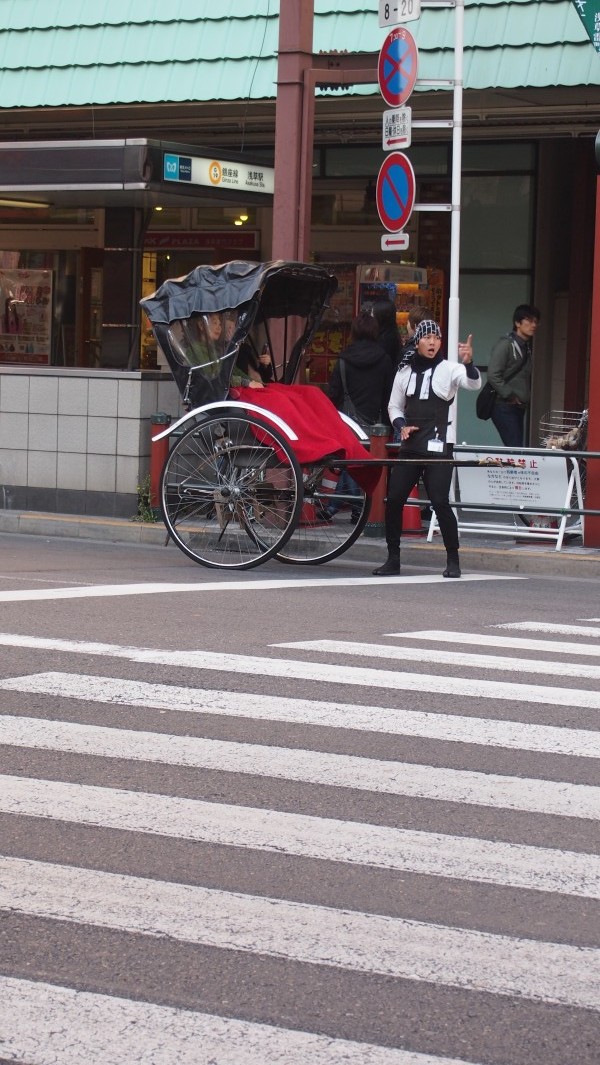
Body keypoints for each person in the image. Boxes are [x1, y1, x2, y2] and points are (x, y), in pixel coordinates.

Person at [372, 319, 481, 579]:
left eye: (437, 338)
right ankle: (393, 558)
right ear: (417, 341)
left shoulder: (450, 369)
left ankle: (453, 560)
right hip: (410, 445)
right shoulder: (404, 371)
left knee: (440, 502)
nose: (432, 342)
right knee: (395, 499)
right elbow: (394, 406)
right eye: (427, 338)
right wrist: (401, 425)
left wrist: (468, 363)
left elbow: (473, 384)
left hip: (440, 444)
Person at [325, 310, 395, 522]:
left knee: (350, 463)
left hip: (347, 421)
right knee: (358, 465)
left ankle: (339, 506)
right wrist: (387, 425)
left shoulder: (344, 360)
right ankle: (352, 507)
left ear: (354, 332)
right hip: (375, 425)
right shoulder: (384, 359)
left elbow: (334, 393)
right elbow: (387, 396)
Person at [487, 304, 540, 447]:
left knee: (515, 448)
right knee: (515, 448)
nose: (533, 325)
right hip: (503, 405)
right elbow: (493, 374)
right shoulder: (506, 345)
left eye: (535, 321)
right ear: (517, 323)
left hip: (517, 406)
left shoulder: (525, 347)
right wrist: (509, 395)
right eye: (529, 321)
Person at [372, 298, 401, 367]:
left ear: (380, 317)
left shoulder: (385, 340)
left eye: (373, 313)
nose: (371, 316)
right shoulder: (392, 334)